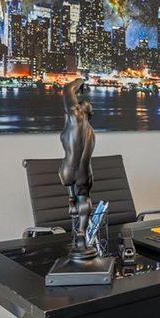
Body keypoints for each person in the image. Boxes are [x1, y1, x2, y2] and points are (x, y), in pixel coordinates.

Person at [58, 78, 97, 258]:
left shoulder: (75, 117)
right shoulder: (91, 132)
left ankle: (71, 198)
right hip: (85, 173)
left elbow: (67, 90)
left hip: (67, 170)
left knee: (71, 185)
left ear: (82, 110)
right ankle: (81, 232)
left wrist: (80, 81)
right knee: (85, 199)